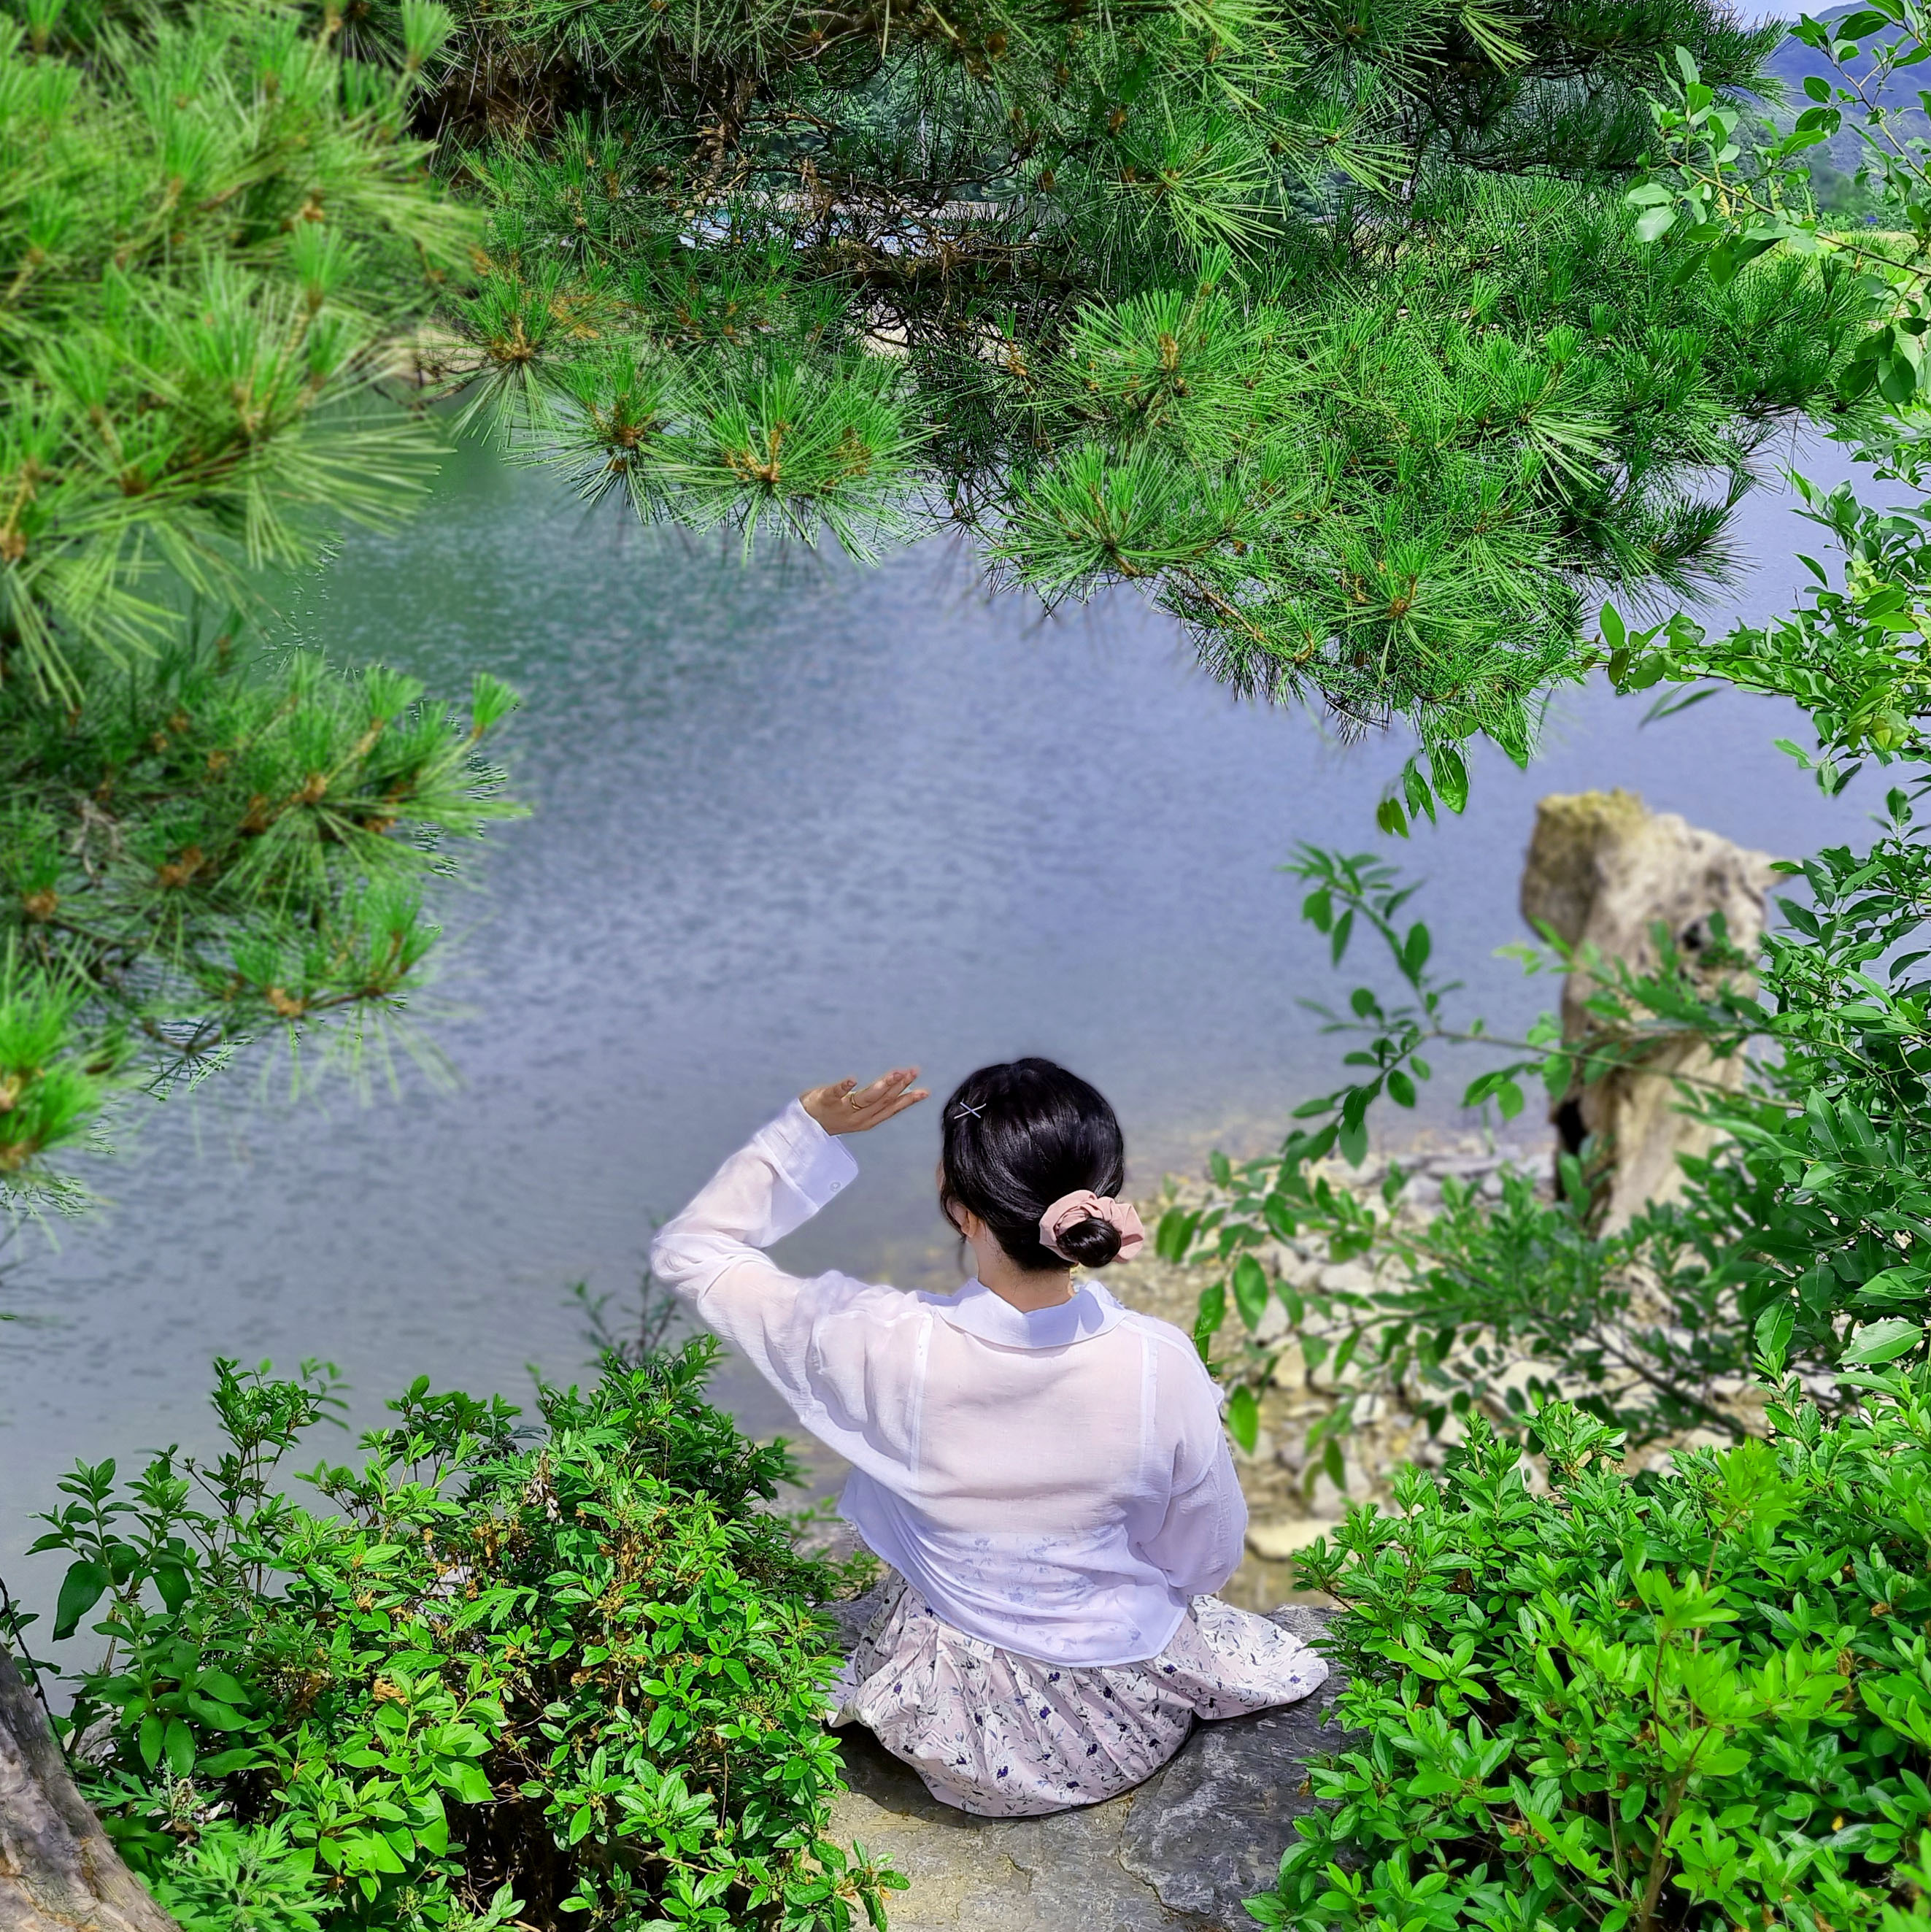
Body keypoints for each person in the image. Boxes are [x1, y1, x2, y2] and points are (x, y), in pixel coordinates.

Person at [649, 1056, 1326, 1817]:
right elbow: (1205, 1561)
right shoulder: (1157, 1362)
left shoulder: (883, 1342)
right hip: (1127, 1726)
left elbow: (691, 1253)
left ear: (955, 1200)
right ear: (1101, 1204)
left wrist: (803, 1131)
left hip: (959, 1737)